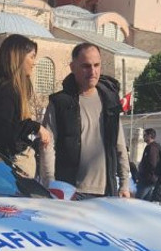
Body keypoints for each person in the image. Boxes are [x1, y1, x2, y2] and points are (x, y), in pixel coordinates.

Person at [38, 43, 132, 199]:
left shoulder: (110, 100)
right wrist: (51, 185)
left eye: (96, 65)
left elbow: (119, 143)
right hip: (70, 193)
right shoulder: (60, 103)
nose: (93, 71)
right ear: (73, 67)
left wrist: (124, 184)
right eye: (86, 66)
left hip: (107, 192)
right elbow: (48, 146)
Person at [0, 34, 51, 166]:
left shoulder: (0, 89)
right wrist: (35, 127)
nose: (34, 62)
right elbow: (4, 132)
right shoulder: (6, 91)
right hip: (5, 166)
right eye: (32, 56)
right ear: (19, 57)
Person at [136, 128, 160, 200]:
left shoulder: (152, 147)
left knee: (138, 199)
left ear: (149, 136)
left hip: (147, 179)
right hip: (149, 178)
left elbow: (153, 163)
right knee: (146, 200)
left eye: (145, 135)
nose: (143, 137)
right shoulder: (153, 146)